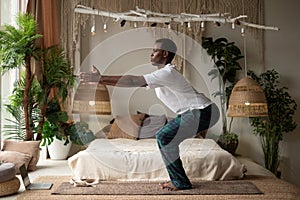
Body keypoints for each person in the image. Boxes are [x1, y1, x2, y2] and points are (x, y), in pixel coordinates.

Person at [81, 38, 212, 191]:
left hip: (200, 111)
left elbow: (132, 81)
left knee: (164, 136)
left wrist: (100, 79)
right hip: (196, 112)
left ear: (164, 53)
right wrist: (101, 80)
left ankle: (180, 182)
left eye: (155, 51)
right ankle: (179, 180)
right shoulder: (162, 75)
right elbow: (133, 82)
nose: (151, 54)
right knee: (167, 138)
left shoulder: (167, 73)